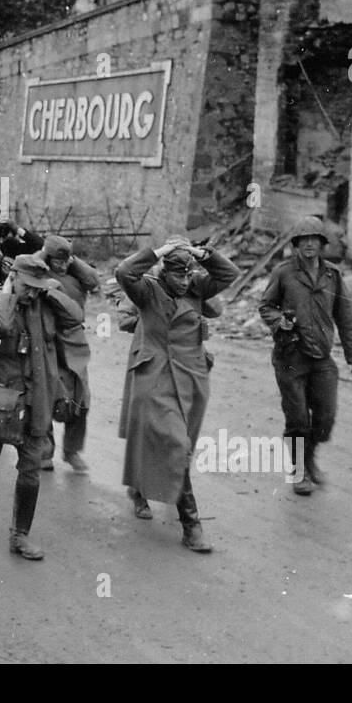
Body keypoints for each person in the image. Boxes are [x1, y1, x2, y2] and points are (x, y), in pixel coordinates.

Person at [0, 253, 89, 560]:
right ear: (13, 277)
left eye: (35, 286)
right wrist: (7, 293)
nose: (31, 292)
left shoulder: (44, 304)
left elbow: (75, 316)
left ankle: (20, 535)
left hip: (36, 400)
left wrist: (48, 289)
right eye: (27, 285)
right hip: (0, 402)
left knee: (30, 471)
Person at [116, 236, 238, 552]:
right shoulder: (147, 291)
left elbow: (228, 274)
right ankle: (191, 524)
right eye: (177, 274)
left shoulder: (198, 288)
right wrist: (160, 251)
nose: (183, 282)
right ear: (163, 272)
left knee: (180, 445)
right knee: (175, 444)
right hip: (157, 376)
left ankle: (143, 488)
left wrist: (200, 254)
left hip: (192, 376)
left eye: (188, 274)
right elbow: (124, 272)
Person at [258, 215, 352, 496]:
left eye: (314, 240)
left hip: (322, 358)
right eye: (303, 241)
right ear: (296, 244)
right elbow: (266, 306)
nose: (309, 246)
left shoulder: (333, 276)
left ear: (322, 244)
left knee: (326, 417)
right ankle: (300, 471)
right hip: (290, 357)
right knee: (298, 418)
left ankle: (310, 457)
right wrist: (281, 321)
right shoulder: (283, 273)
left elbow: (346, 316)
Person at [38, 234, 100, 473]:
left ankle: (72, 451)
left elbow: (93, 280)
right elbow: (24, 268)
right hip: (47, 341)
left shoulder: (77, 274)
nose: (62, 265)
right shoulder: (39, 272)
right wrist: (44, 255)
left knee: (81, 397)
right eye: (57, 261)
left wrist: (72, 260)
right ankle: (45, 452)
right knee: (47, 396)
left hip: (74, 341)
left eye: (66, 261)